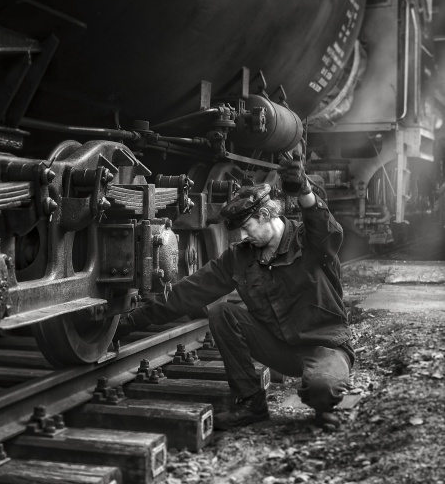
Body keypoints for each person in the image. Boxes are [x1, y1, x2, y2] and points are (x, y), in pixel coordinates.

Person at [123, 159, 352, 431]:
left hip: (323, 346)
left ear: (265, 215)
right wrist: (130, 322)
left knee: (322, 390)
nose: (242, 236)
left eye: (247, 227)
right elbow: (188, 292)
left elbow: (326, 230)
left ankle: (323, 399)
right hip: (279, 348)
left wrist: (305, 192)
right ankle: (251, 403)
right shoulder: (240, 257)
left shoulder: (309, 241)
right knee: (222, 312)